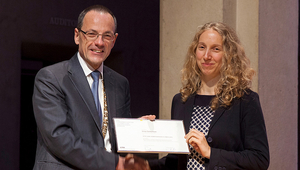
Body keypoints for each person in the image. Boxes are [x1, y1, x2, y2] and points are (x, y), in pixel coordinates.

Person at [32, 5, 153, 170]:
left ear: (114, 40)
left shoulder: (120, 83)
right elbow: (59, 138)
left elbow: (115, 138)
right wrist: (114, 163)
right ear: (77, 36)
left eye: (107, 36)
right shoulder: (51, 78)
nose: (99, 42)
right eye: (91, 34)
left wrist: (135, 130)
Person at [148, 22, 269, 170]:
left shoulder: (245, 100)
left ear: (229, 54)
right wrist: (145, 165)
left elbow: (259, 160)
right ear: (195, 52)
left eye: (215, 49)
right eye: (202, 47)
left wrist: (211, 153)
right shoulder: (181, 101)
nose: (206, 56)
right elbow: (177, 159)